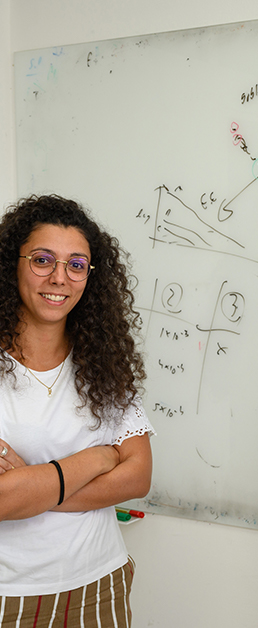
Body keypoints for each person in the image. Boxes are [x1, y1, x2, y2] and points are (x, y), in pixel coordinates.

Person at [0, 194, 154, 627]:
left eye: (76, 264)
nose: (59, 278)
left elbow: (138, 475)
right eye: (42, 260)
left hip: (98, 584)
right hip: (10, 593)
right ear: (12, 263)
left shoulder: (103, 363)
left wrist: (32, 487)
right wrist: (98, 458)